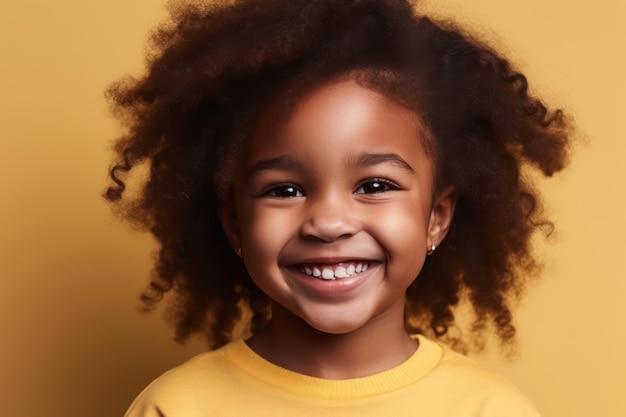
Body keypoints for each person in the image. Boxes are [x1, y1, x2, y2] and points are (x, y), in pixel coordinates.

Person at [104, 0, 571, 415]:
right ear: (234, 224)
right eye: (284, 190)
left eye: (373, 184)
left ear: (437, 218)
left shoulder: (488, 410)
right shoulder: (178, 407)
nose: (328, 223)